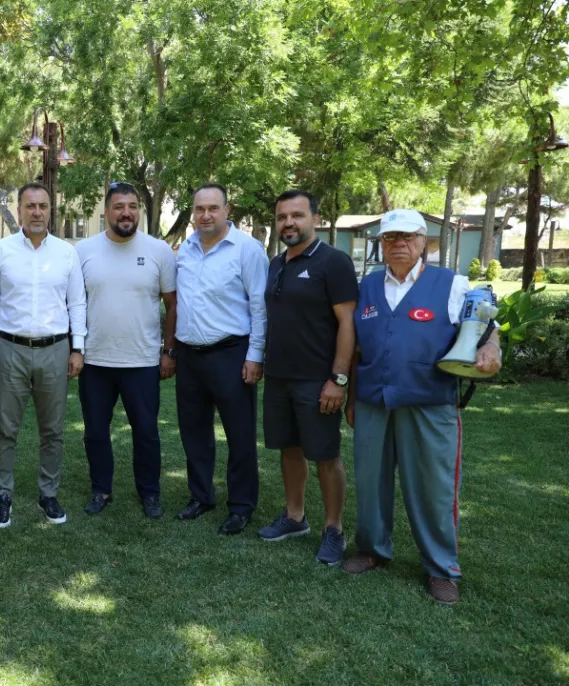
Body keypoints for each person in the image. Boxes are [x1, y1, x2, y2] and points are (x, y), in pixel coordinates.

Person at [341, 209, 501, 606]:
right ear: (381, 243)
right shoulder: (367, 286)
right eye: (390, 237)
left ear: (423, 242)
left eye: (407, 237)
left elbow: (487, 329)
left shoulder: (451, 283)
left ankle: (441, 569)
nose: (398, 243)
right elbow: (358, 349)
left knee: (434, 488)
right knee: (370, 482)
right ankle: (372, 550)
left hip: (430, 403)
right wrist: (351, 397)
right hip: (374, 402)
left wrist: (490, 350)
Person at [257, 190, 358, 565]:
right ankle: (295, 516)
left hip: (318, 380)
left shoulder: (333, 262)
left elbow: (347, 323)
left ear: (315, 218)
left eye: (297, 215)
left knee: (325, 455)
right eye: (282, 216)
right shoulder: (276, 263)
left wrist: (338, 379)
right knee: (289, 448)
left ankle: (334, 529)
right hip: (279, 377)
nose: (288, 223)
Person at [0, 182, 87, 528]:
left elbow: (77, 302)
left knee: (52, 429)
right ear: (20, 210)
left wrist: (78, 347)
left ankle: (48, 494)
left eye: (43, 206)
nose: (37, 212)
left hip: (55, 349)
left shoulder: (66, 253)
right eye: (30, 206)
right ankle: (2, 495)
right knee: (5, 428)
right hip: (10, 349)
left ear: (50, 210)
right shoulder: (1, 250)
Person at [75, 182, 177, 519]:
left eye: (132, 206)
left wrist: (168, 351)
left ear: (139, 210)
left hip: (142, 360)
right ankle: (101, 489)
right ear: (106, 211)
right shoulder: (83, 251)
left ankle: (150, 492)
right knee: (95, 432)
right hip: (95, 360)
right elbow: (74, 304)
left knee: (146, 432)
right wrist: (76, 348)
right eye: (119, 206)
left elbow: (172, 305)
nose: (126, 212)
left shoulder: (159, 251)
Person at [174, 183, 268, 534]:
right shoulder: (186, 249)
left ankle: (241, 506)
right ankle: (201, 496)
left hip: (231, 353)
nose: (206, 215)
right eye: (199, 209)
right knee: (194, 432)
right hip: (190, 356)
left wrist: (255, 355)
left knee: (239, 434)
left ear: (227, 210)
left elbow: (260, 306)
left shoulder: (247, 249)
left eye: (213, 208)